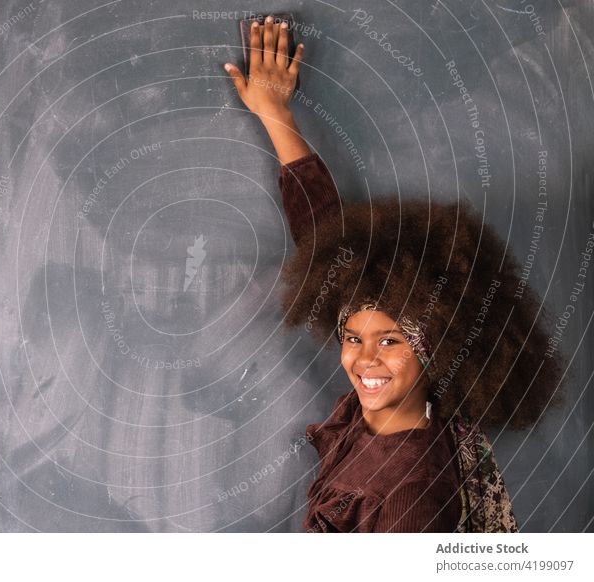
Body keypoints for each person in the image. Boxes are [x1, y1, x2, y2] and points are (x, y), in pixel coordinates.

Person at [224, 16, 565, 532]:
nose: (363, 360)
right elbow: (330, 243)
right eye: (353, 336)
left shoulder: (410, 494)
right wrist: (276, 114)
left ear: (438, 346)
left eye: (390, 341)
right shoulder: (415, 420)